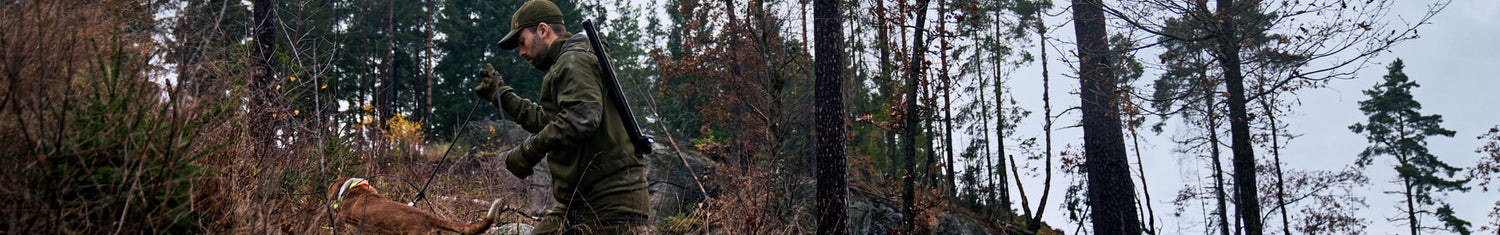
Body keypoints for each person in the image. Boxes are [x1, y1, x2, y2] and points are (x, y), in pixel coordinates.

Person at [471, 0, 649, 233]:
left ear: (543, 30)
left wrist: (529, 151)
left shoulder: (574, 61)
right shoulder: (567, 62)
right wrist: (502, 95)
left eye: (522, 42)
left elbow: (581, 117)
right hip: (579, 203)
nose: (521, 53)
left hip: (610, 207)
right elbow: (549, 123)